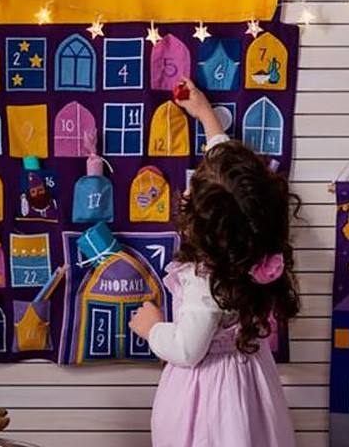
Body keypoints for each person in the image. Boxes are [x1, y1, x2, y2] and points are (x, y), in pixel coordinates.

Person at [128, 77, 300, 447]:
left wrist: (152, 328)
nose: (187, 187)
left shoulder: (205, 281)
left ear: (206, 227)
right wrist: (207, 118)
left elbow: (188, 349)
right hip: (248, 379)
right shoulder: (251, 241)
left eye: (193, 190)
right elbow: (235, 182)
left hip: (209, 395)